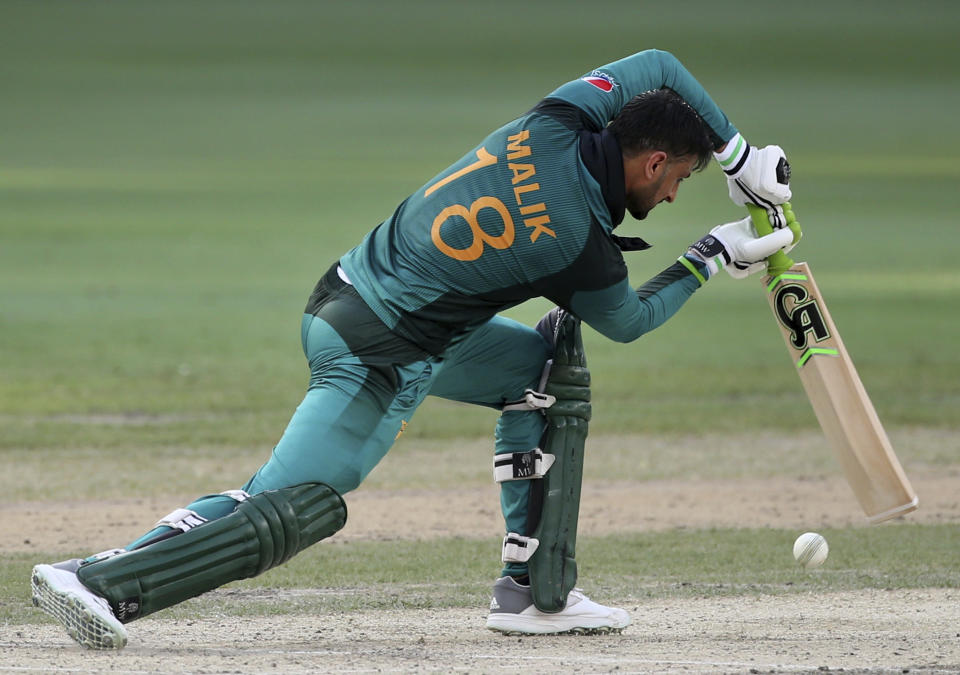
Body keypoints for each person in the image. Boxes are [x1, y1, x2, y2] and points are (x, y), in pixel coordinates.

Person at [31, 49, 798, 650]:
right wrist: (709, 256)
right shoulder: (575, 241)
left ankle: (535, 594)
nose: (671, 198)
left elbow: (660, 66)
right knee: (292, 504)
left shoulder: (557, 119)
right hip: (374, 348)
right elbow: (628, 320)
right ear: (653, 161)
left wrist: (735, 154)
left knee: (541, 372)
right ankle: (100, 579)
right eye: (683, 180)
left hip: (377, 307)